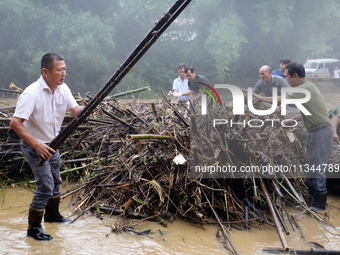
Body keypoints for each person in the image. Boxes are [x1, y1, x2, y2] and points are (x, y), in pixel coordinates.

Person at [10, 53, 84, 240]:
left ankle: (52, 216)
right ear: (45, 72)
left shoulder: (62, 88)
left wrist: (86, 110)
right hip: (33, 145)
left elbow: (75, 111)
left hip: (53, 143)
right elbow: (15, 123)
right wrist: (36, 145)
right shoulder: (31, 93)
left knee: (56, 181)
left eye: (64, 69)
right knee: (45, 186)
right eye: (59, 70)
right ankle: (33, 229)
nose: (63, 73)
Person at [253, 62, 333, 211]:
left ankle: (320, 205)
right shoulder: (307, 89)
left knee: (318, 167)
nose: (287, 81)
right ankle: (311, 201)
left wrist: (261, 98)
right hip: (314, 131)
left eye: (288, 77)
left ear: (295, 76)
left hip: (322, 132)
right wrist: (291, 120)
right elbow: (308, 112)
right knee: (309, 166)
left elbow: (281, 99)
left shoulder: (305, 89)